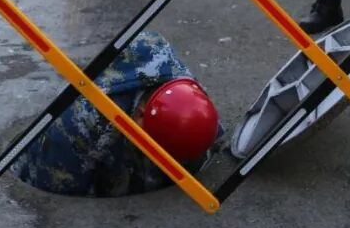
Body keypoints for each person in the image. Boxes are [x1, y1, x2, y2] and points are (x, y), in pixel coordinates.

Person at [11, 32, 221, 197]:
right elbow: (57, 189)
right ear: (140, 115)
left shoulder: (189, 95)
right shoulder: (79, 123)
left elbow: (206, 144)